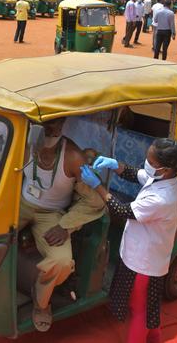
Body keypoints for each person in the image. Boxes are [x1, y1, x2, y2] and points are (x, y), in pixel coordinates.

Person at [80, 139, 177, 343]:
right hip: (149, 257)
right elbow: (136, 174)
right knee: (149, 305)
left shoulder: (161, 199)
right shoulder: (167, 179)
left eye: (150, 162)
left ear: (164, 169)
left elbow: (121, 210)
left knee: (138, 309)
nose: (146, 164)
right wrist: (114, 164)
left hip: (143, 263)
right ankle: (155, 336)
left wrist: (97, 186)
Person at [17, 118, 104, 332]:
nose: (50, 128)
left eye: (56, 123)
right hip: (20, 204)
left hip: (52, 214)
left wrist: (66, 226)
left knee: (62, 262)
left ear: (63, 123)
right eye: (45, 122)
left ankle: (41, 302)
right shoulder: (23, 143)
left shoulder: (73, 157)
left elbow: (96, 200)